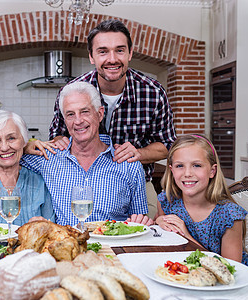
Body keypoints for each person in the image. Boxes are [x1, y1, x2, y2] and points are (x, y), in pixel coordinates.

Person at [49, 19, 177, 218]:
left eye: (119, 50)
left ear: (130, 53)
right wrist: (60, 142)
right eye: (103, 51)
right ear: (91, 56)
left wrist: (138, 153)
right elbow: (56, 137)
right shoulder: (72, 91)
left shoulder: (152, 92)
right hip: (80, 187)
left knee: (145, 233)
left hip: (138, 184)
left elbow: (169, 146)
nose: (112, 59)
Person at [22, 82, 152, 226]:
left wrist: (142, 223)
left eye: (85, 112)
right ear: (64, 120)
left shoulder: (129, 165)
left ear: (100, 114)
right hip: (65, 245)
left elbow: (138, 223)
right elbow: (0, 157)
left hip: (112, 245)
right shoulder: (49, 157)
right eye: (70, 114)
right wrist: (24, 146)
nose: (78, 121)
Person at [155, 134, 248, 281]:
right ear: (172, 170)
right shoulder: (167, 202)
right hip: (187, 277)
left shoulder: (229, 215)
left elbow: (228, 273)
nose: (187, 173)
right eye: (180, 166)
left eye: (197, 165)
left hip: (230, 284)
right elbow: (157, 232)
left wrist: (186, 236)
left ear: (212, 171)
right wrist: (159, 221)